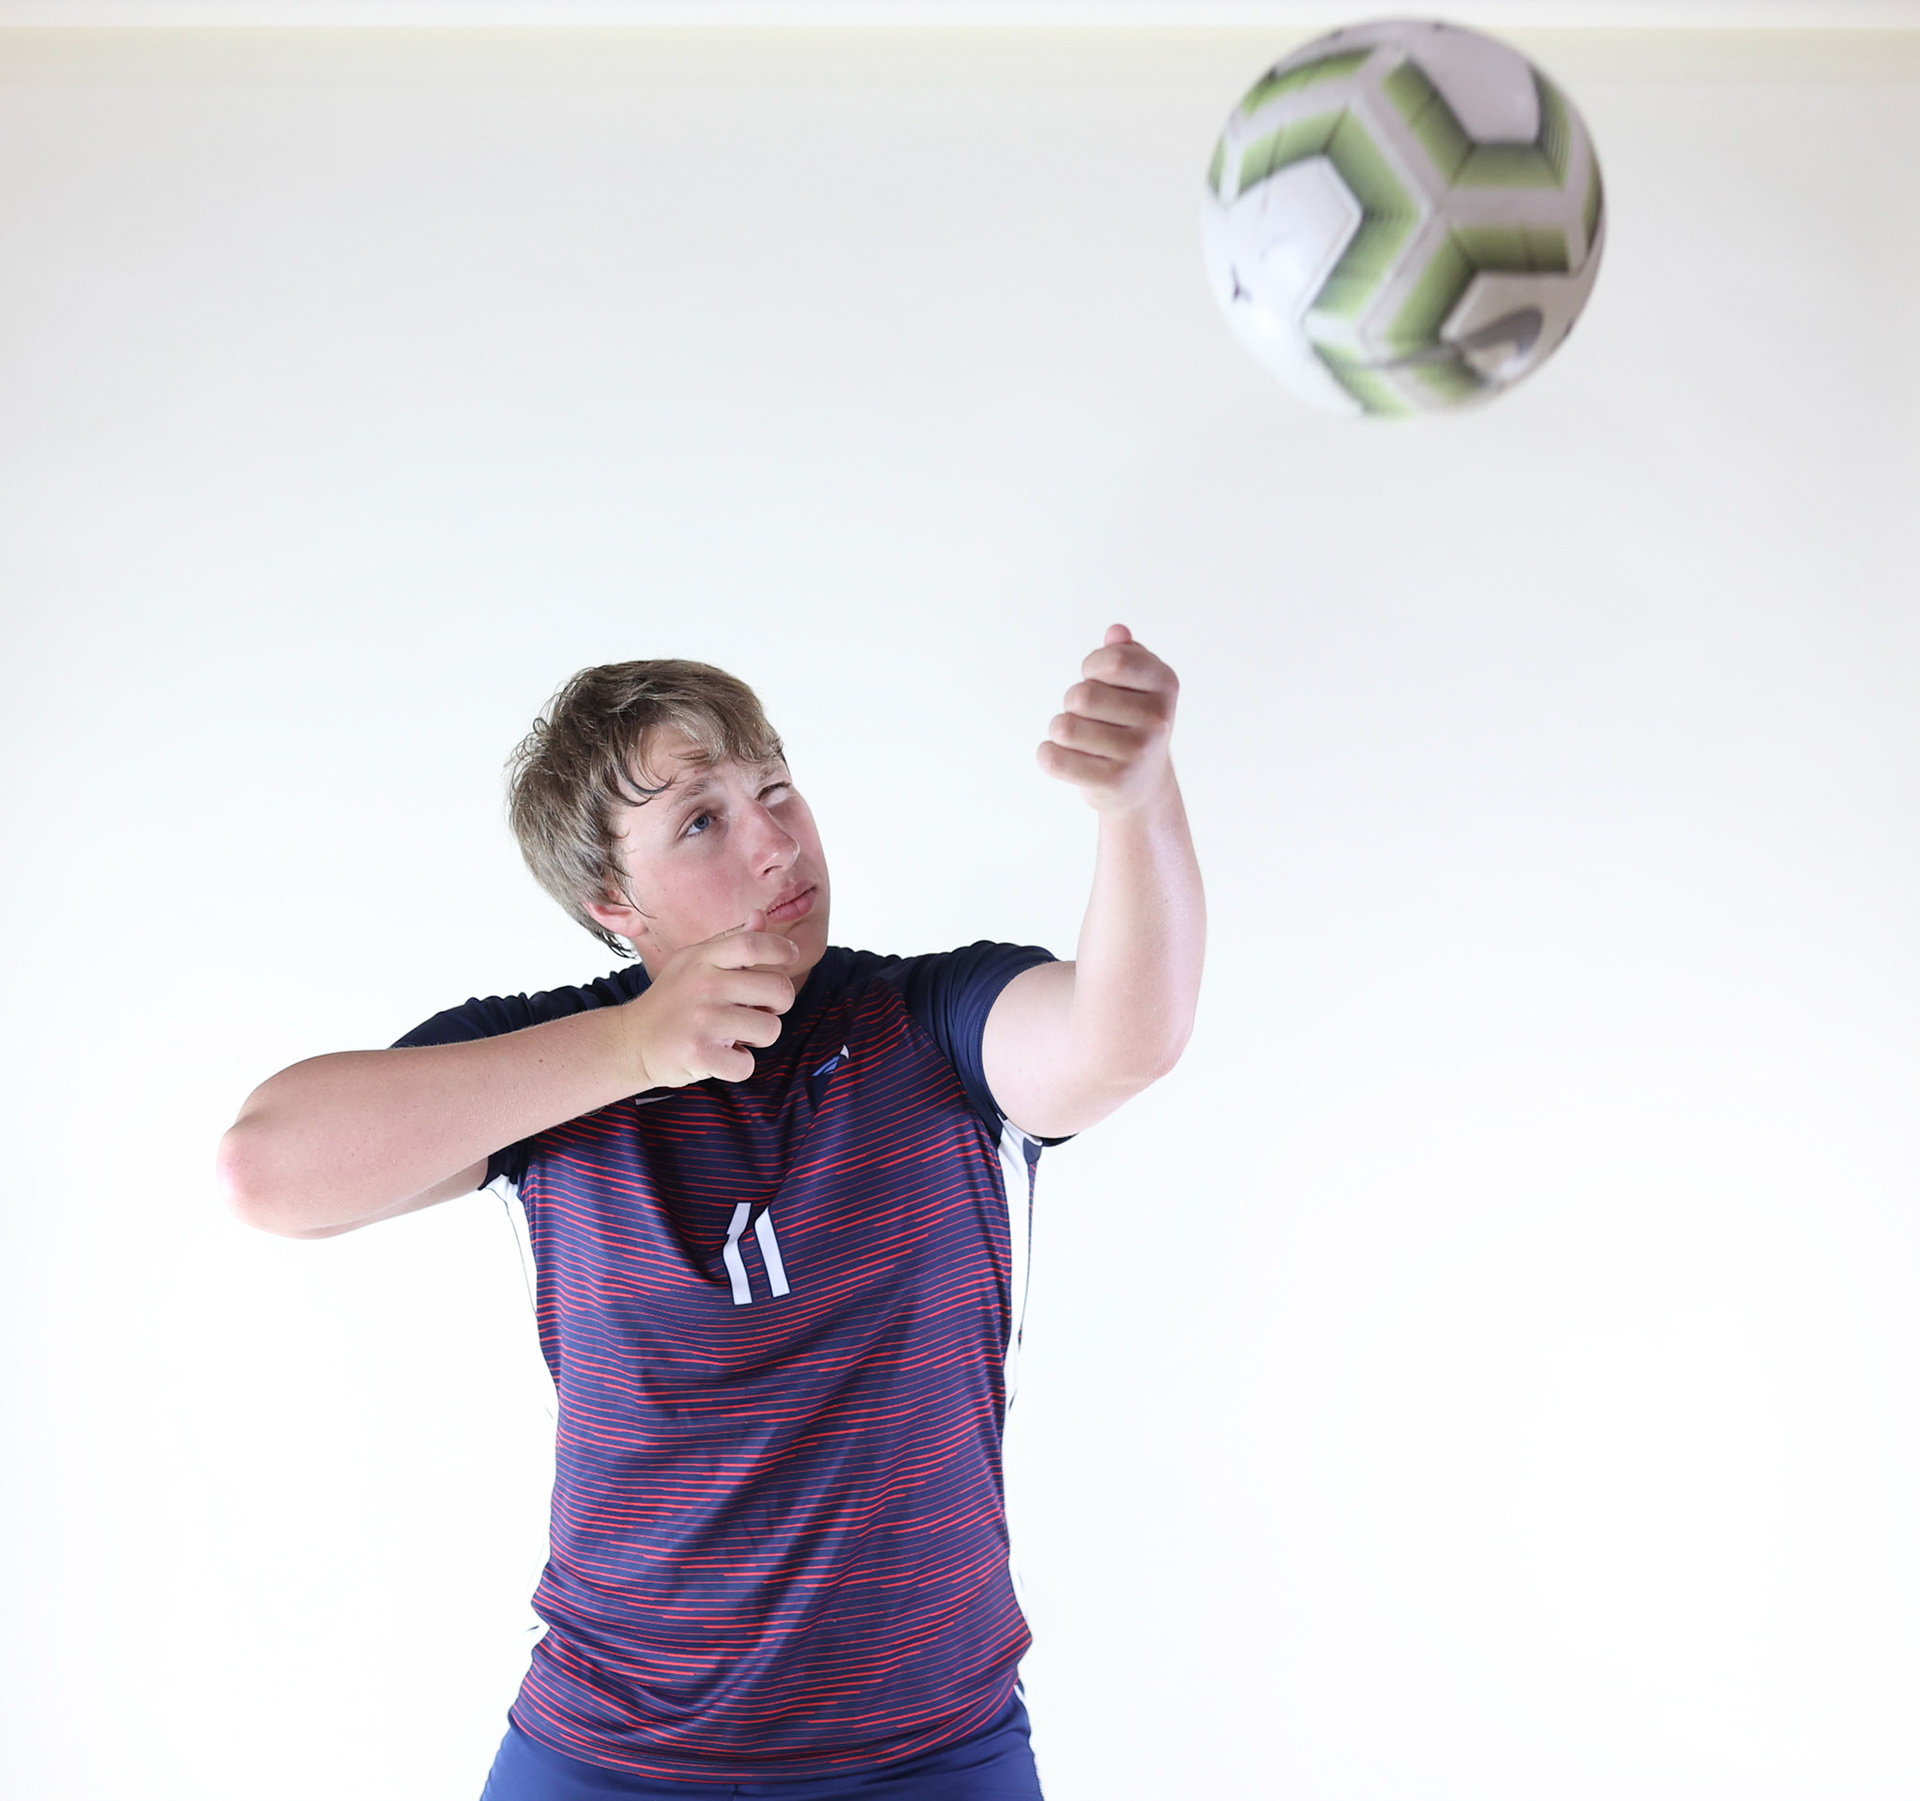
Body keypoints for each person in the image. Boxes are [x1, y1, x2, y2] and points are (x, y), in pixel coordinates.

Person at [218, 624, 1205, 1800]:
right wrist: (634, 1045)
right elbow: (267, 1169)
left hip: (928, 1750)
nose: (776, 840)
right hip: (609, 1748)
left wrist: (1138, 803)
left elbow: (1123, 1036)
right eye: (701, 820)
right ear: (611, 900)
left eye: (775, 789)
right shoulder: (545, 1063)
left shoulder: (930, 1021)